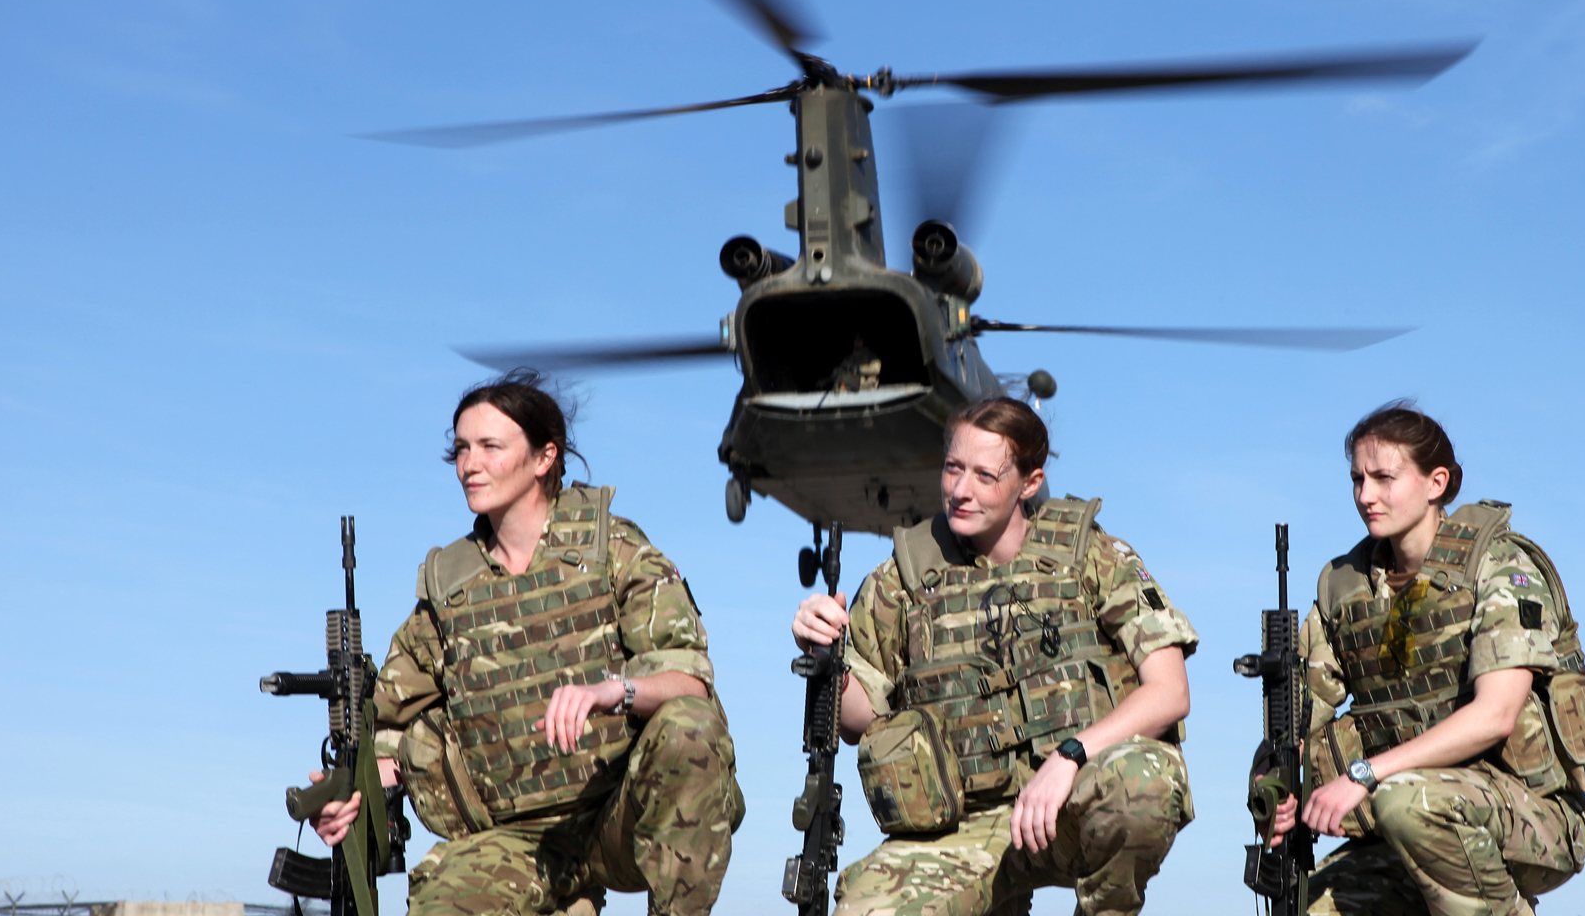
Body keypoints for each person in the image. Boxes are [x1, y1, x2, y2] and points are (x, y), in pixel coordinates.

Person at [312, 370, 745, 916]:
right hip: (514, 841)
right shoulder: (451, 587)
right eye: (462, 449)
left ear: (544, 458)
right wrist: (346, 796)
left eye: (491, 446)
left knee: (690, 729)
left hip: (620, 819)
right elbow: (393, 726)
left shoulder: (613, 547)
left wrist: (612, 691)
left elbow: (691, 685)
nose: (471, 464)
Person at [792, 396, 1199, 916]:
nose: (961, 490)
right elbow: (859, 723)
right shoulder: (903, 578)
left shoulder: (1090, 555)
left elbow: (1169, 691)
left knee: (1143, 781)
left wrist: (1070, 755)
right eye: (952, 468)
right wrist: (827, 654)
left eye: (986, 475)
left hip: (1074, 806)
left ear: (1029, 483)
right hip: (962, 827)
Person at [1262, 401, 1585, 916]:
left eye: (1384, 477)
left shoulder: (1498, 565)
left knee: (1408, 801)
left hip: (1532, 820)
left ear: (1436, 482)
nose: (1366, 495)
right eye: (1357, 478)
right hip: (1400, 821)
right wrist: (1274, 786)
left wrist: (1363, 775)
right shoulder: (1345, 588)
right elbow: (1298, 721)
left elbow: (1496, 716)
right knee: (1310, 908)